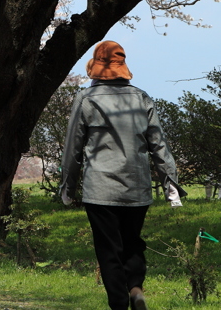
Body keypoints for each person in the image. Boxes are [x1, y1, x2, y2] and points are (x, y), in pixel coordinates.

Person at [61, 41, 185, 310]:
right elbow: (158, 145)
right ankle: (136, 288)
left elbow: (74, 147)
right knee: (133, 243)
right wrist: (170, 184)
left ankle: (118, 303)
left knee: (109, 249)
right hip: (137, 188)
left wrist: (68, 186)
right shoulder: (141, 98)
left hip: (100, 189)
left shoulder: (87, 99)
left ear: (96, 67)